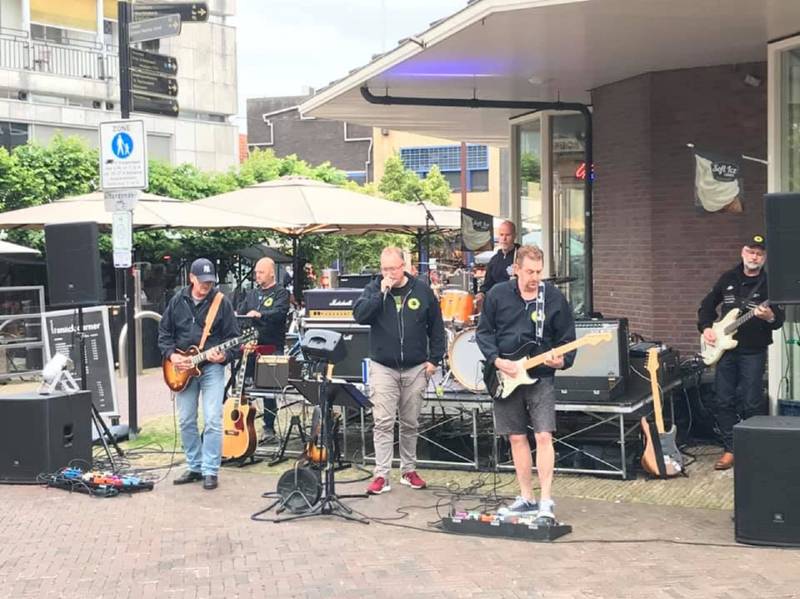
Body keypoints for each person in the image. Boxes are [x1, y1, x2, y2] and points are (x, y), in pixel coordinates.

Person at [476, 245, 576, 523]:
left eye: (538, 272)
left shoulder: (552, 297)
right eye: (530, 272)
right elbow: (484, 333)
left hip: (541, 376)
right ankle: (526, 497)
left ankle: (546, 499)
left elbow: (567, 338)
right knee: (516, 437)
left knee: (544, 435)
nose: (535, 278)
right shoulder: (498, 295)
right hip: (507, 376)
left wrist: (561, 361)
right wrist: (497, 361)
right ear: (516, 269)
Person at [353, 246, 446, 495]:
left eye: (393, 269)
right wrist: (380, 294)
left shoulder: (422, 291)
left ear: (403, 266)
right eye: (385, 269)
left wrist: (434, 359)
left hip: (415, 367)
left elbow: (436, 326)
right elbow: (360, 316)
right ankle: (381, 475)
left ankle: (408, 470)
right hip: (383, 366)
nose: (389, 273)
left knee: (410, 422)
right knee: (383, 422)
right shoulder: (374, 289)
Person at [698, 234, 784, 470]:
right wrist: (706, 328)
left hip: (753, 351)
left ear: (764, 257)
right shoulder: (728, 278)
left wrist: (770, 316)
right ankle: (730, 449)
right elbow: (707, 305)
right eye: (751, 252)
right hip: (724, 350)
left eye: (759, 254)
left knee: (752, 401)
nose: (754, 257)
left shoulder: (770, 284)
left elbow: (778, 320)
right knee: (723, 399)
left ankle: (752, 447)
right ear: (743, 252)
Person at [158, 258, 240, 490]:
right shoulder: (177, 301)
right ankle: (195, 466)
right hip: (183, 368)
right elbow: (164, 334)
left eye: (210, 281)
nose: (206, 285)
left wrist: (224, 356)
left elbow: (234, 339)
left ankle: (210, 470)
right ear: (191, 278)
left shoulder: (221, 302)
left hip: (211, 367)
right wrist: (172, 356)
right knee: (186, 419)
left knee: (213, 418)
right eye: (202, 281)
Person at [236, 257, 290, 441]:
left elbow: (280, 313)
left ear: (272, 273)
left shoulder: (281, 293)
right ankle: (242, 425)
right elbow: (241, 313)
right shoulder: (251, 294)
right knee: (242, 386)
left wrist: (260, 314)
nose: (257, 275)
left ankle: (269, 427)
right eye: (256, 272)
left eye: (261, 272)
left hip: (271, 348)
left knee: (269, 391)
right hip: (250, 349)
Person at [475, 220, 520, 311]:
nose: (504, 239)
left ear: (514, 236)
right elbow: (487, 285)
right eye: (501, 235)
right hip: (496, 306)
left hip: (516, 306)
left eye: (507, 235)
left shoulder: (522, 257)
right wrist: (481, 294)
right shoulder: (494, 260)